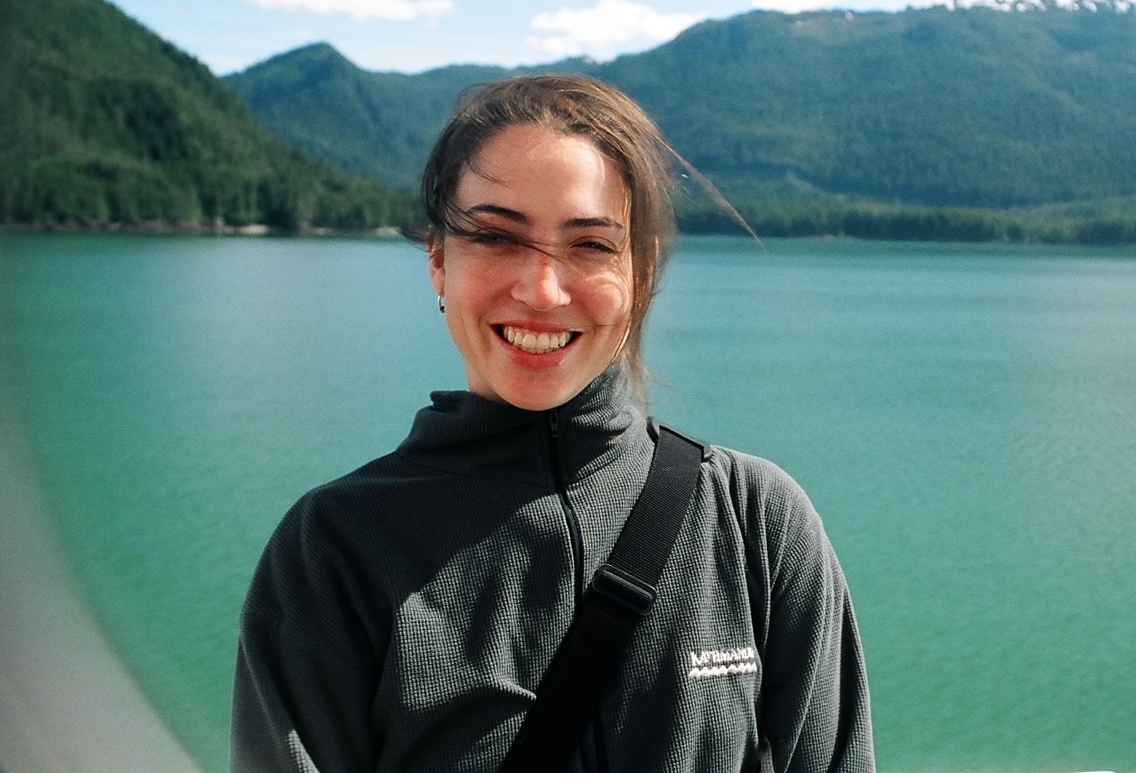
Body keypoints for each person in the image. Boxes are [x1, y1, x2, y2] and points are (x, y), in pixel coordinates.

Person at [230, 74, 875, 773]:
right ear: (439, 261)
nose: (541, 290)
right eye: (496, 237)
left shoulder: (755, 518)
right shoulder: (335, 550)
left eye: (591, 245)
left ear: (642, 272)